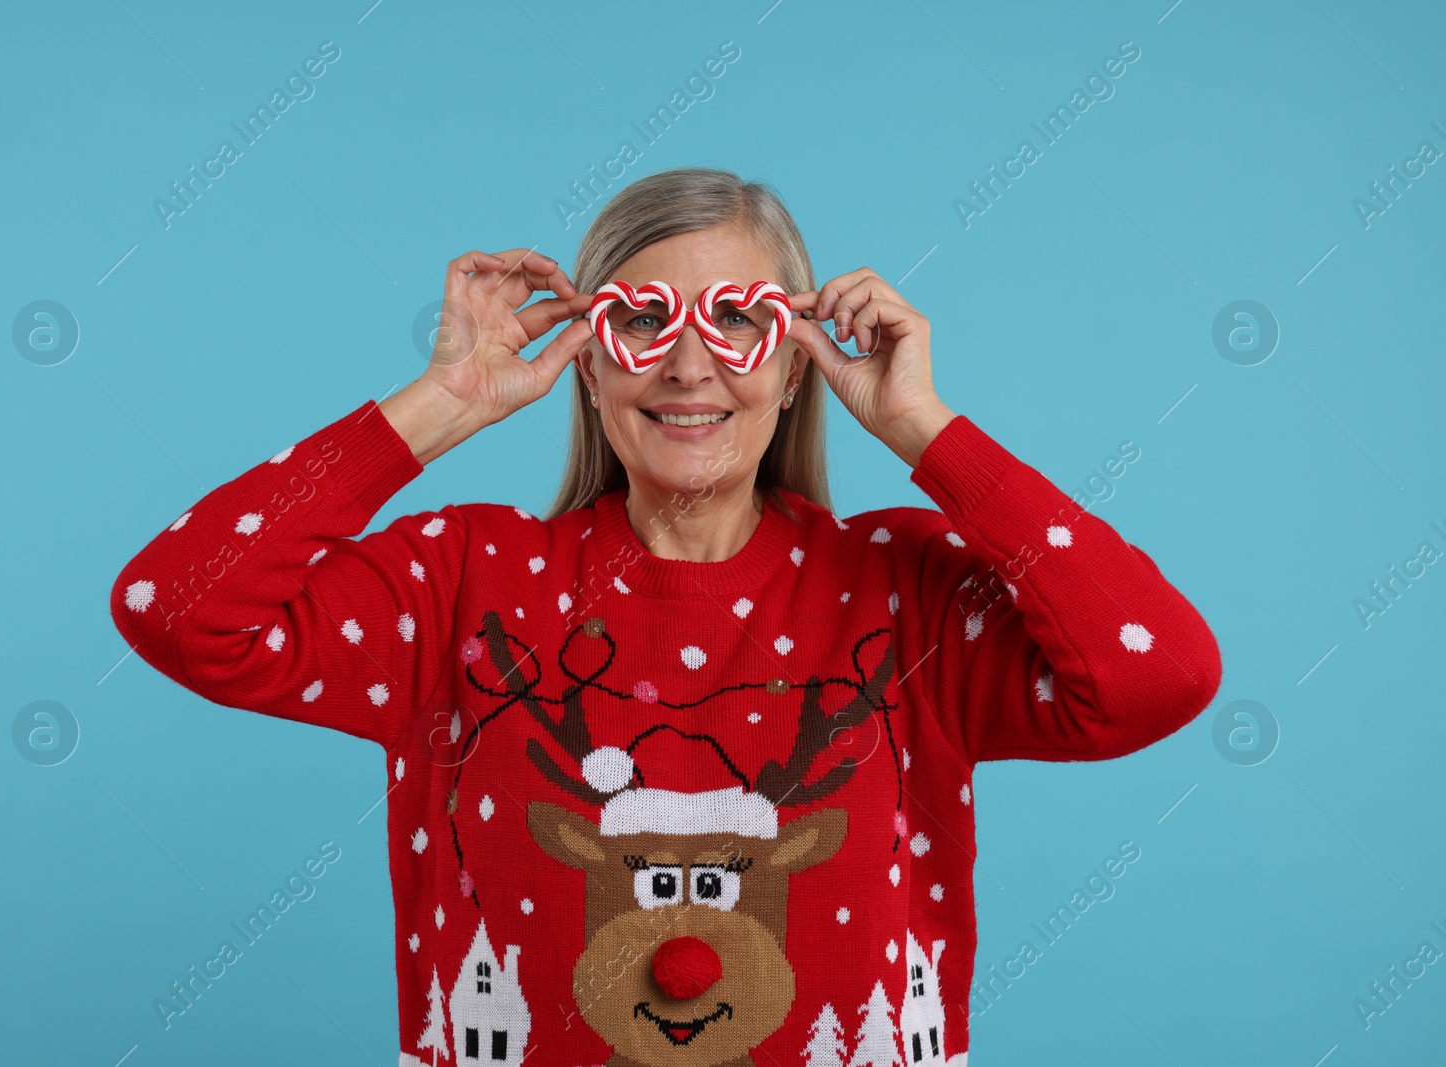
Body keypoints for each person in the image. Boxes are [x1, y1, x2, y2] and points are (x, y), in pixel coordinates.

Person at [110, 167, 1222, 1066]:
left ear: (794, 367)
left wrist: (924, 426)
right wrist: (436, 405)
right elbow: (179, 607)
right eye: (643, 321)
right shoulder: (463, 581)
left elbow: (1159, 671)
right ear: (590, 362)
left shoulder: (902, 586)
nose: (690, 365)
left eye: (739, 320)